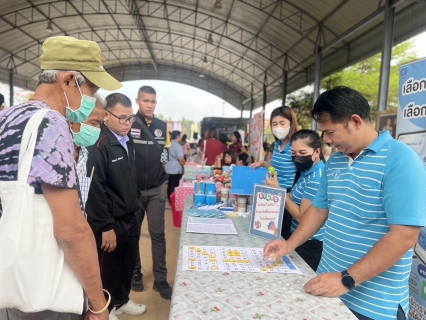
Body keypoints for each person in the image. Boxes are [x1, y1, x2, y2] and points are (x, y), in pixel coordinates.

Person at [264, 86, 426, 320]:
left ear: (356, 121)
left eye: (330, 132)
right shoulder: (336, 161)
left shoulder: (400, 160)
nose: (326, 140)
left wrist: (347, 279)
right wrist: (289, 245)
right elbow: (319, 210)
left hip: (374, 306)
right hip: (328, 290)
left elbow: (404, 235)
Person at [0, 36, 122, 320]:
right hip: (45, 288)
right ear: (67, 81)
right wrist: (97, 302)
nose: (92, 96)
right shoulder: (50, 123)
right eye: (92, 88)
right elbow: (69, 231)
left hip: (12, 274)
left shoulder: (9, 118)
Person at [85, 93, 146, 319]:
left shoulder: (127, 140)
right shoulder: (99, 144)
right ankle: (105, 309)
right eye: (122, 118)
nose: (128, 123)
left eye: (131, 118)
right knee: (108, 269)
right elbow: (95, 188)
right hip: (111, 221)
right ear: (106, 115)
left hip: (131, 216)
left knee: (127, 264)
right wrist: (105, 226)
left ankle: (121, 300)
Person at [131, 86, 173, 299]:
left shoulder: (162, 126)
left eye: (153, 101)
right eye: (146, 100)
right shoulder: (129, 123)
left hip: (156, 190)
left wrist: (160, 171)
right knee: (133, 235)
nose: (150, 105)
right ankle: (135, 273)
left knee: (159, 236)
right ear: (138, 101)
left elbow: (165, 154)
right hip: (134, 191)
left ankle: (161, 280)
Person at [266, 129, 325, 271]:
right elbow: (291, 197)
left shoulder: (317, 177)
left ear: (317, 152)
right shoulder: (306, 172)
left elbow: (301, 216)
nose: (297, 157)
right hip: (297, 238)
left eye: (302, 153)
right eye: (293, 153)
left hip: (309, 242)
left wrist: (279, 191)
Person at [252, 106, 299, 239]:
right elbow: (274, 167)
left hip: (289, 196)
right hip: (273, 194)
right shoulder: (277, 145)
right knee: (270, 231)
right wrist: (263, 163)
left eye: (282, 123)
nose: (278, 127)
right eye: (274, 124)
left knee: (283, 234)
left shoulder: (296, 145)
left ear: (291, 123)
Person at [72, 95, 105, 208]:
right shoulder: (55, 154)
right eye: (93, 123)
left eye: (100, 124)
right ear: (73, 119)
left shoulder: (84, 154)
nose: (97, 130)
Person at [166, 130, 185, 201]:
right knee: (174, 185)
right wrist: (185, 166)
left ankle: (169, 198)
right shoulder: (178, 146)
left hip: (168, 167)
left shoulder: (168, 145)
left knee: (170, 183)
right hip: (175, 168)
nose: (181, 137)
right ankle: (172, 200)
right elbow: (181, 159)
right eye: (180, 136)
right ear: (177, 136)